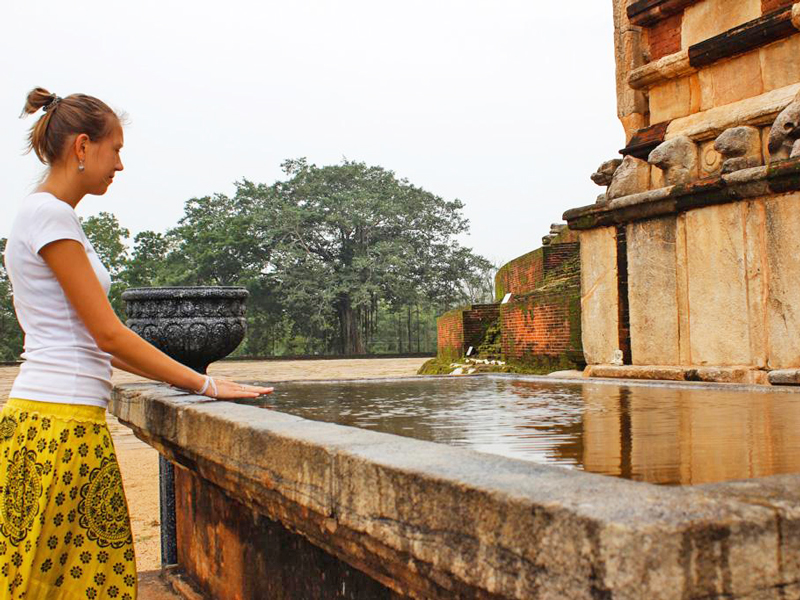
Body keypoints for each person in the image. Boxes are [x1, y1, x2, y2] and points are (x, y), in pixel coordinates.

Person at [0, 87, 273, 600]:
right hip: (58, 425)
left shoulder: (44, 214)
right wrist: (206, 384)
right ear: (82, 147)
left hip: (60, 417)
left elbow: (98, 338)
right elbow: (108, 334)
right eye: (116, 149)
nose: (120, 165)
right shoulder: (49, 216)